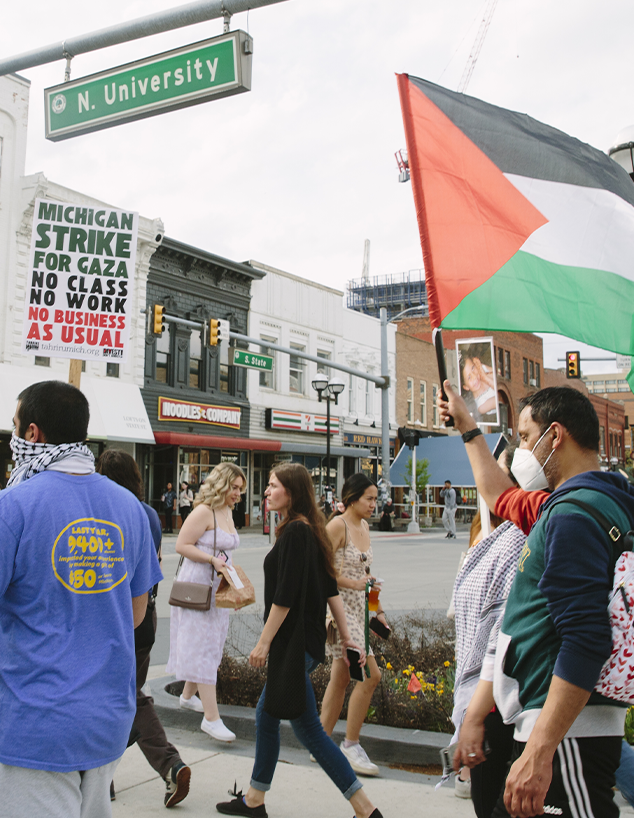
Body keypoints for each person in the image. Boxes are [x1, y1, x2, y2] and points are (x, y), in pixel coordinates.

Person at [439, 382, 634, 818]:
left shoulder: (572, 517)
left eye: (526, 437)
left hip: (566, 738)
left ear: (555, 436)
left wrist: (540, 751)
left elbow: (586, 638)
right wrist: (468, 427)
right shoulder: (577, 504)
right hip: (555, 730)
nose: (522, 450)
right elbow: (499, 496)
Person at [0, 380, 162, 817]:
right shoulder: (129, 508)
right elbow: (135, 612)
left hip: (34, 722)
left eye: (15, 428)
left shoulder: (11, 507)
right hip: (107, 718)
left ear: (32, 433)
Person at [216, 463, 383, 818]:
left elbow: (286, 596)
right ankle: (362, 808)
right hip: (303, 644)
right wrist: (350, 638)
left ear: (290, 492)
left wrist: (263, 642)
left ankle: (256, 800)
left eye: (273, 485)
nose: (266, 492)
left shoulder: (295, 533)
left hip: (293, 644)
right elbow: (329, 588)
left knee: (270, 714)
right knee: (307, 729)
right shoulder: (309, 529)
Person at [96, 450, 191, 809]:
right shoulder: (148, 514)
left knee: (120, 698)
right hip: (146, 616)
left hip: (115, 619)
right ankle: (158, 767)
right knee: (127, 694)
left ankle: (157, 766)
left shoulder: (106, 512)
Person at [450, 444, 525, 815]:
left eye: (497, 469)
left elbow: (499, 635)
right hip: (490, 701)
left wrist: (475, 716)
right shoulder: (489, 529)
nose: (484, 477)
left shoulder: (521, 537)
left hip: (506, 703)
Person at [166, 462, 245, 743]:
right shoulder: (204, 511)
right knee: (202, 646)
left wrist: (233, 590)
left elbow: (227, 557)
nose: (238, 493)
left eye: (240, 489)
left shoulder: (226, 511)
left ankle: (188, 696)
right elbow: (181, 545)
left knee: (210, 644)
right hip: (198, 587)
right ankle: (211, 719)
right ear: (221, 485)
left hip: (217, 587)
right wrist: (212, 560)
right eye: (234, 488)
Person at [319, 473, 385, 776]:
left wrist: (377, 608)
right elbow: (321, 572)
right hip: (339, 611)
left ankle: (319, 742)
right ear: (352, 499)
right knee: (370, 676)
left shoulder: (365, 527)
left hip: (359, 610)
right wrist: (354, 583)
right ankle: (350, 744)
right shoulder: (338, 525)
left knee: (341, 678)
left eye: (375, 498)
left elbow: (367, 574)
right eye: (369, 498)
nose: (374, 504)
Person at [459, 345, 497, 421]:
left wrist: (483, 372)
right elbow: (500, 397)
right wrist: (485, 378)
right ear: (466, 387)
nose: (474, 376)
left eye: (473, 368)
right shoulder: (481, 405)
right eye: (469, 377)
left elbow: (500, 377)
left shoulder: (481, 369)